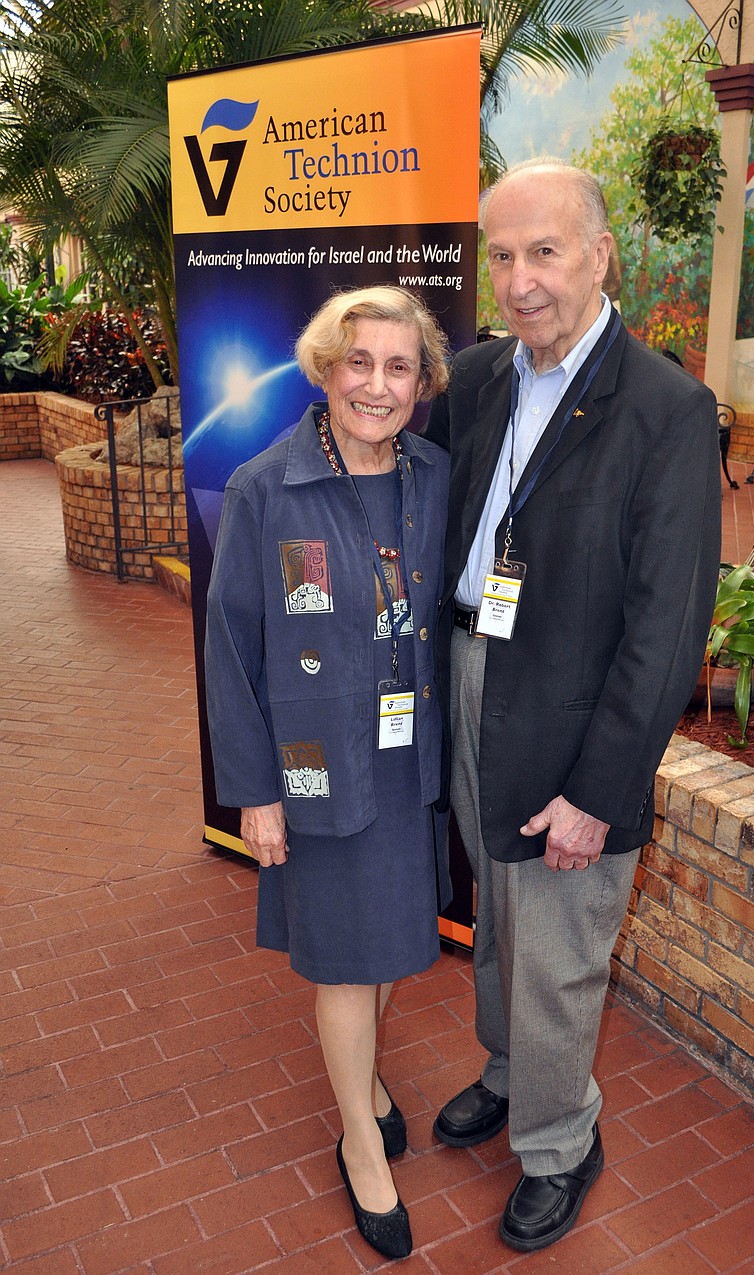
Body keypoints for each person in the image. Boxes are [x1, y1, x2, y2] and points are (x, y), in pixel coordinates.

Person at [424, 159, 721, 1254]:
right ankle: (510, 1076)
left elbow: (666, 628)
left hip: (571, 711)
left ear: (600, 255)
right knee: (496, 920)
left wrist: (600, 791)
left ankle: (560, 1143)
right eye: (500, 256)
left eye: (543, 252)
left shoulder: (669, 411)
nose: (519, 280)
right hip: (468, 677)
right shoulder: (479, 379)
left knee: (556, 944)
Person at [204, 285, 452, 1263]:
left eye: (399, 367)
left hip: (408, 757)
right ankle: (360, 1138)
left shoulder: (434, 475)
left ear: (422, 383)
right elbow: (231, 646)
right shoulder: (269, 487)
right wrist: (255, 787)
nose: (377, 386)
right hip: (315, 764)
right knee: (347, 958)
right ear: (323, 369)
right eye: (360, 363)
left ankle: (370, 1088)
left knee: (390, 946)